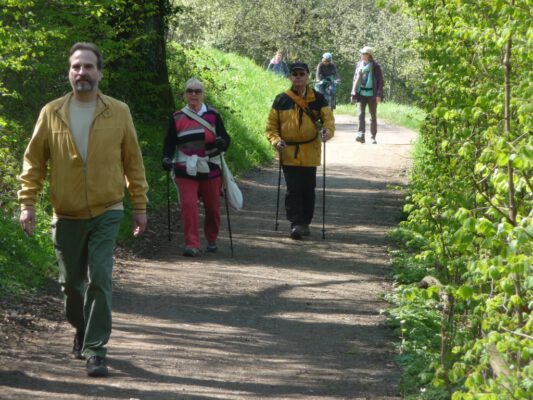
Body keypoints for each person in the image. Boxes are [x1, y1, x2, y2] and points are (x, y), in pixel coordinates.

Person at [18, 42, 149, 378]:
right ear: (69, 73)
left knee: (101, 279)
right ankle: (81, 327)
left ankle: (96, 349)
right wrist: (27, 203)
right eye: (76, 67)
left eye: (88, 67)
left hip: (108, 209)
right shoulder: (52, 112)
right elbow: (34, 162)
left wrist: (139, 205)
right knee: (71, 285)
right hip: (67, 214)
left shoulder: (118, 111)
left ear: (99, 72)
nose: (82, 73)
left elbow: (133, 161)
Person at [265, 62, 335, 240]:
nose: (298, 77)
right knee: (293, 188)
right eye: (294, 74)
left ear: (308, 76)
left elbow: (328, 120)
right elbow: (271, 126)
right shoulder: (281, 99)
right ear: (290, 76)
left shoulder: (318, 99)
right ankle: (296, 223)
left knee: (308, 188)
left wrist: (327, 132)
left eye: (301, 74)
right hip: (288, 151)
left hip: (310, 151)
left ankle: (305, 222)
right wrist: (276, 140)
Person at [162, 78, 231, 257]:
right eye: (190, 91)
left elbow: (226, 139)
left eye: (197, 91)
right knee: (188, 206)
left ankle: (212, 239)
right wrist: (166, 158)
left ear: (203, 94)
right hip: (185, 168)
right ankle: (192, 244)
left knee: (213, 208)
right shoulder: (177, 117)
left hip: (210, 167)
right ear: (185, 94)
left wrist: (222, 143)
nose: (193, 94)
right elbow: (169, 142)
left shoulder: (213, 115)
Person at [351, 46, 384, 144]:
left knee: (372, 116)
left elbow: (380, 82)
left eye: (363, 54)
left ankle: (373, 137)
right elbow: (355, 79)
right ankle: (361, 135)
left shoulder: (375, 66)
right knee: (361, 115)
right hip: (361, 93)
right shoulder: (359, 65)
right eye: (361, 53)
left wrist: (379, 94)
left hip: (372, 94)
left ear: (368, 55)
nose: (361, 55)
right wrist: (353, 93)